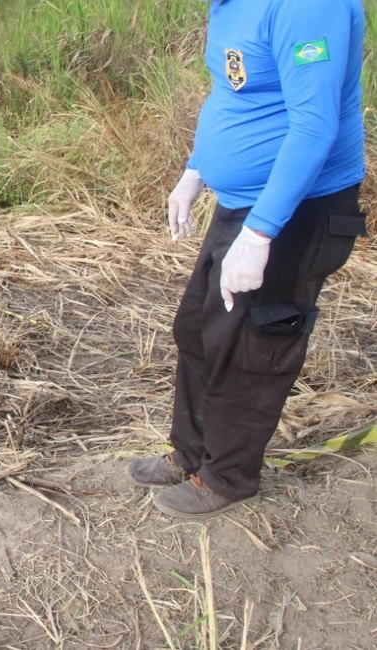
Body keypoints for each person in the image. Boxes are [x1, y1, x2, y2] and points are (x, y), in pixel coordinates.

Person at [127, 0, 368, 518]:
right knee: (197, 329)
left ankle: (228, 477)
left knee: (253, 349)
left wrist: (261, 233)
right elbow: (236, 95)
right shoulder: (229, 6)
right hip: (245, 206)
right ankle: (191, 453)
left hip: (296, 212)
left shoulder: (307, 8)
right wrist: (195, 170)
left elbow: (314, 125)